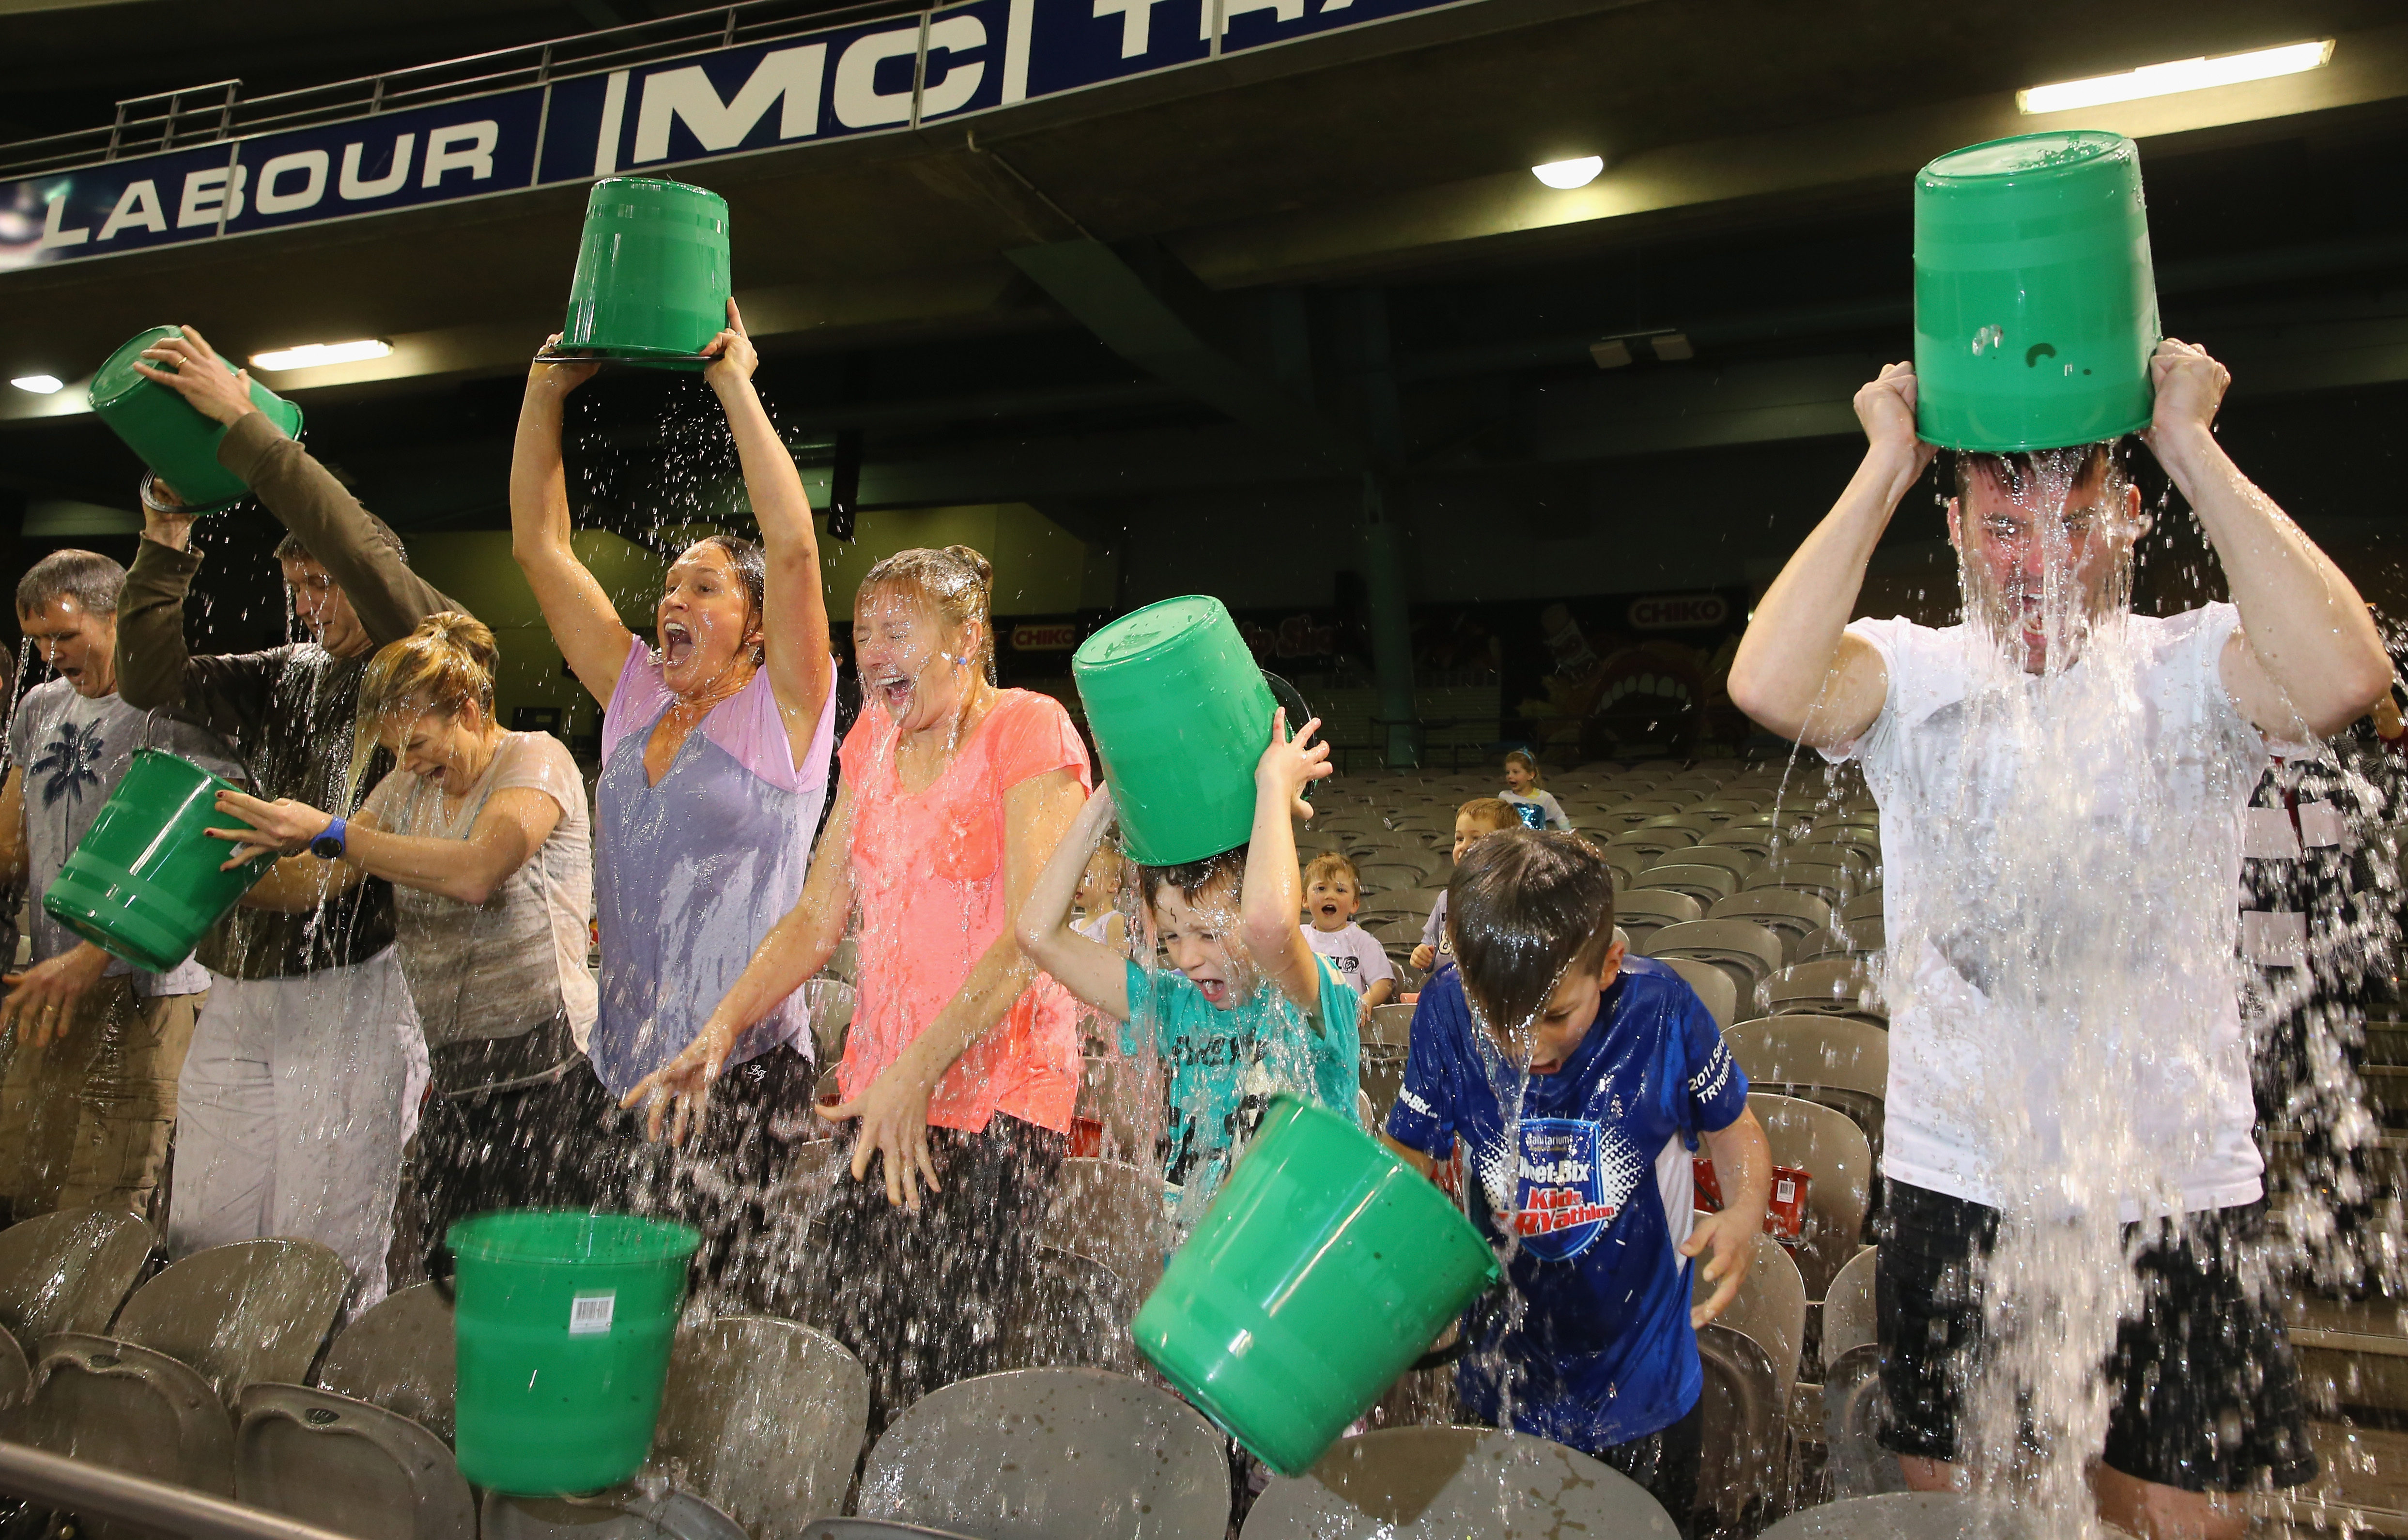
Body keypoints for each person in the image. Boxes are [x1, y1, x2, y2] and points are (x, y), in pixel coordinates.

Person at [1725, 341, 2390, 1540]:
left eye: (2075, 521)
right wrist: (1884, 463)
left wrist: (2190, 441)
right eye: (2005, 529)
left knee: (2177, 1520)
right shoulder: (1916, 673)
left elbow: (2345, 674)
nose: (2041, 563)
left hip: (2169, 1182)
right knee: (1976, 1509)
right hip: (1960, 1174)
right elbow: (1770, 683)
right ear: (1962, 533)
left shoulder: (2188, 668)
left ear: (2131, 518)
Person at [630, 544, 1087, 1434]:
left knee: (944, 1378)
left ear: (969, 639)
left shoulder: (1028, 729)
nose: (872, 651)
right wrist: (721, 1029)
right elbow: (815, 916)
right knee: (848, 1355)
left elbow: (1031, 940)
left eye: (897, 630)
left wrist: (916, 1072)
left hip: (996, 1099)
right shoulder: (873, 737)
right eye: (862, 632)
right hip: (880, 1095)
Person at [114, 325, 458, 1304]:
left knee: (326, 1237)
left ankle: (316, 1421)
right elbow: (149, 676)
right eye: (297, 586)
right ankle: (206, 1406)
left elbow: (360, 553)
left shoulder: (424, 662)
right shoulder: (282, 676)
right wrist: (164, 540)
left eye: (329, 582)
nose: (315, 604)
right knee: (208, 1225)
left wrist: (256, 443)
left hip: (350, 982)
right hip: (239, 977)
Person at [509, 299, 838, 1292]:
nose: (672, 603)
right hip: (625, 1064)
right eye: (668, 586)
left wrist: (733, 380)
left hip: (740, 1069)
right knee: (616, 1306)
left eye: (703, 590)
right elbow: (540, 547)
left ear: (751, 625)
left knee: (719, 1312)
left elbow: (793, 551)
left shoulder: (785, 712)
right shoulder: (633, 694)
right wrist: (541, 396)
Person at [1383, 829, 1769, 1536]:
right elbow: (1405, 1152)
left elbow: (1735, 1128)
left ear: (1611, 964)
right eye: (1497, 1021)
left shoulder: (1662, 1013)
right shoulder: (1445, 1008)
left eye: (1555, 1016)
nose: (1526, 1047)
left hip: (1642, 1386)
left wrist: (1745, 1209)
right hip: (1500, 1372)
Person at [199, 613, 597, 1265]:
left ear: (469, 711)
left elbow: (477, 871)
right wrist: (210, 876)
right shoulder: (407, 785)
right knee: (451, 1276)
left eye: (417, 744)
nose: (408, 764)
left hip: (551, 1078)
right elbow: (316, 885)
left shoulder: (536, 759)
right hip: (460, 1075)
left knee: (533, 1277)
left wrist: (329, 829)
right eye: (395, 753)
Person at [1021, 710, 1361, 1236]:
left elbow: (1270, 926)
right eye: (1174, 936)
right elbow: (1037, 933)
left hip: (1301, 1278)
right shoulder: (1173, 1003)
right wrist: (1111, 798)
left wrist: (1272, 784)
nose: (1185, 958)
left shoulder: (1310, 997)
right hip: (1195, 1267)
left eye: (1208, 933)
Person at [0, 550, 227, 1221]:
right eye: (38, 639)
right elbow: (11, 838)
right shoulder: (40, 707)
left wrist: (92, 957)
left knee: (107, 1203)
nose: (49, 655)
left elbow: (193, 856)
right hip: (52, 985)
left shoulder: (170, 709)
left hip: (140, 991)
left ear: (114, 617)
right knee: (26, 1187)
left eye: (64, 636)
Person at [1410, 796, 1520, 974]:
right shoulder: (1446, 898)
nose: (1464, 847)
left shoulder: (1512, 900)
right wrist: (1423, 956)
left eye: (1476, 839)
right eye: (1459, 839)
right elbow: (1431, 944)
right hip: (1447, 992)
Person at [1298, 851, 1395, 1027]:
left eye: (1340, 890)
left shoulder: (1362, 941)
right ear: (1304, 899)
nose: (1330, 896)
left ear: (1354, 904)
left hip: (1348, 1026)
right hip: (1306, 1026)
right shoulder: (1299, 937)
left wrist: (1369, 999)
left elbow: (1384, 982)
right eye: (1321, 889)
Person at [1500, 750, 1570, 830]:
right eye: (1508, 773)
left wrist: (1570, 837)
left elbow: (1560, 817)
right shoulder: (1504, 797)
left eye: (1516, 772)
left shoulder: (1545, 797)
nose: (1510, 776)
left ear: (1530, 775)